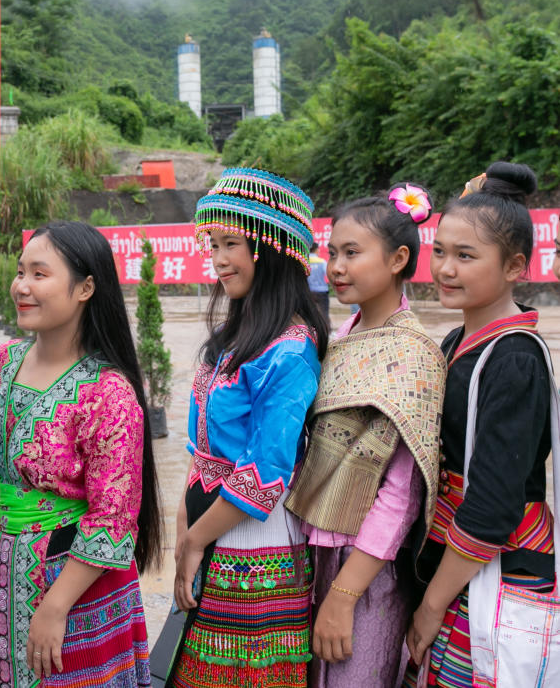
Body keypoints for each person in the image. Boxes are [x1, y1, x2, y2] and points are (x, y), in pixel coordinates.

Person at [0, 220, 162, 687]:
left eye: (40, 274)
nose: (22, 286)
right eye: (20, 273)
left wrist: (55, 607)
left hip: (79, 592)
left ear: (86, 287)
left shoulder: (108, 393)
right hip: (2, 568)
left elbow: (112, 519)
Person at [168, 167, 329, 688]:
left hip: (249, 539)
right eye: (212, 244)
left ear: (273, 247)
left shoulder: (291, 349)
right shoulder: (233, 336)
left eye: (230, 243)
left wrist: (195, 540)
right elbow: (202, 450)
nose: (217, 259)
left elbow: (264, 474)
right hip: (208, 517)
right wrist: (183, 525)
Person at [284, 183, 446, 687]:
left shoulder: (413, 354)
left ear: (399, 259)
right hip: (316, 554)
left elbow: (401, 497)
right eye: (331, 253)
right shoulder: (342, 339)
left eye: (352, 253)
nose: (335, 267)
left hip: (369, 573)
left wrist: (345, 595)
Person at [403, 163, 555, 688]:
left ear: (515, 266)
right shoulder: (454, 344)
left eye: (466, 256)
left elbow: (491, 507)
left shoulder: (514, 360)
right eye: (440, 251)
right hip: (459, 565)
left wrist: (430, 607)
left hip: (489, 567)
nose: (445, 268)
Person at [308, 241, 330, 317]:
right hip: (322, 291)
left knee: (310, 315)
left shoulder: (304, 262)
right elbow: (329, 274)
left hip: (308, 292)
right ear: (317, 250)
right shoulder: (322, 262)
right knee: (324, 314)